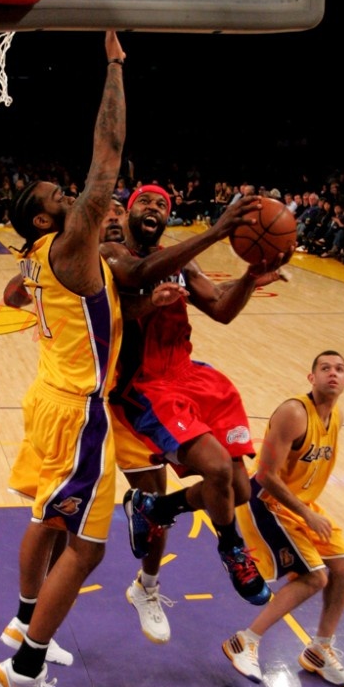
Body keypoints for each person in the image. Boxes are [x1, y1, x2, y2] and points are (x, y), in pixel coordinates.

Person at [0, 31, 128, 687]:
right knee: (88, 547)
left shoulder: (37, 253)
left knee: (45, 516)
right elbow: (108, 156)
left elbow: (14, 293)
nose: (73, 193)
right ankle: (24, 669)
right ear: (48, 217)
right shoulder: (71, 245)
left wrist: (28, 293)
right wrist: (115, 66)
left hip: (47, 396)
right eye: (58, 194)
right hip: (79, 411)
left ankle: (23, 623)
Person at [103, 184, 293, 640]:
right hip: (141, 385)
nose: (154, 207)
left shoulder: (182, 262)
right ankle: (227, 551)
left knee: (239, 489)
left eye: (162, 204)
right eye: (145, 202)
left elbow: (222, 310)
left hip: (189, 377)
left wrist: (249, 277)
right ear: (128, 213)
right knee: (215, 469)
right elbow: (135, 279)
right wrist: (216, 231)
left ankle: (155, 509)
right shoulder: (109, 252)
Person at [222, 351, 344, 687]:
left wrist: (306, 510)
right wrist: (306, 513)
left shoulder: (337, 417)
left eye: (339, 369)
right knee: (315, 577)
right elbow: (265, 476)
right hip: (266, 502)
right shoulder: (294, 414)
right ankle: (245, 641)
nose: (332, 373)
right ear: (311, 378)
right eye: (325, 368)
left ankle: (319, 650)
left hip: (299, 505)